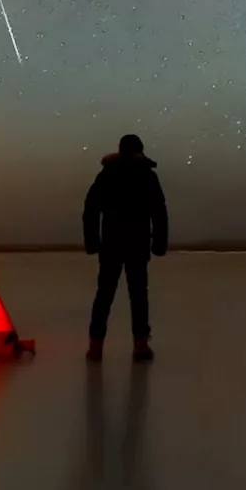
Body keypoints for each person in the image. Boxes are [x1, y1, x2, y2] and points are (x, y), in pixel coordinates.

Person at [83, 133, 168, 363]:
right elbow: (159, 212)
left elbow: (90, 209)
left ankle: (95, 348)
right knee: (138, 295)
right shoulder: (147, 177)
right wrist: (159, 244)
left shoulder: (107, 175)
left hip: (111, 244)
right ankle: (140, 346)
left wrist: (92, 243)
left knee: (104, 296)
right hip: (137, 245)